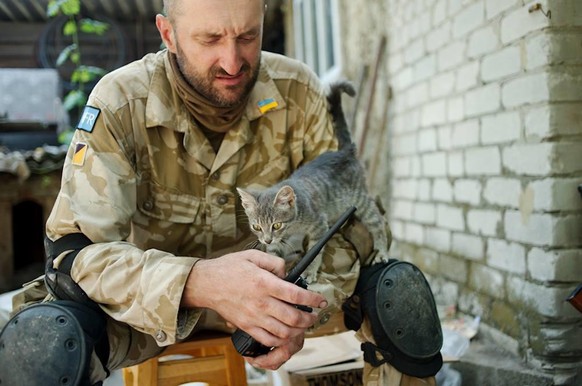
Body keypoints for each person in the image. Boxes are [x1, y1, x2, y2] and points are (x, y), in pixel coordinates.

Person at [0, 0, 442, 385]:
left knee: (399, 298)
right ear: (168, 33)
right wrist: (196, 282)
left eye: (248, 36)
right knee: (46, 345)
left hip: (281, 298)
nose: (233, 62)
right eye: (210, 39)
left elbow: (348, 227)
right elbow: (75, 254)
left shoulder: (298, 91)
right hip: (149, 310)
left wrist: (303, 303)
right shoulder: (120, 103)